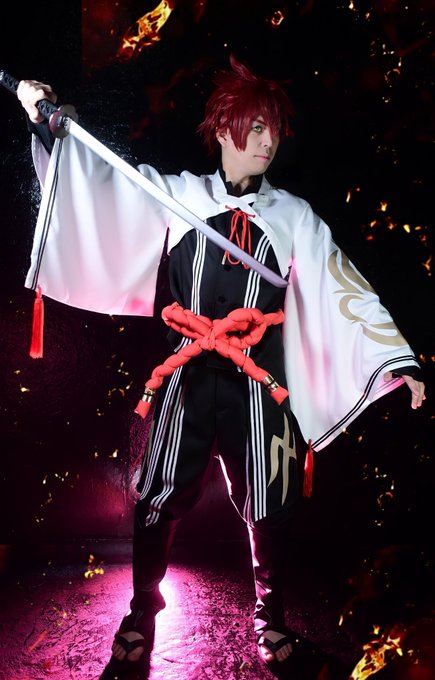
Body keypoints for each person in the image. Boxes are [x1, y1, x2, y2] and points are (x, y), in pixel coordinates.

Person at [16, 56, 425, 679]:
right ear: (224, 128)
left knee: (271, 502)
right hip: (187, 373)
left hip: (259, 380)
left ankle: (271, 618)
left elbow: (344, 286)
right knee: (158, 497)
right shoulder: (179, 195)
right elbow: (101, 189)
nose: (268, 140)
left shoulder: (293, 216)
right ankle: (142, 612)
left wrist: (397, 359)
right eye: (255, 126)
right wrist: (50, 128)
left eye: (274, 129)